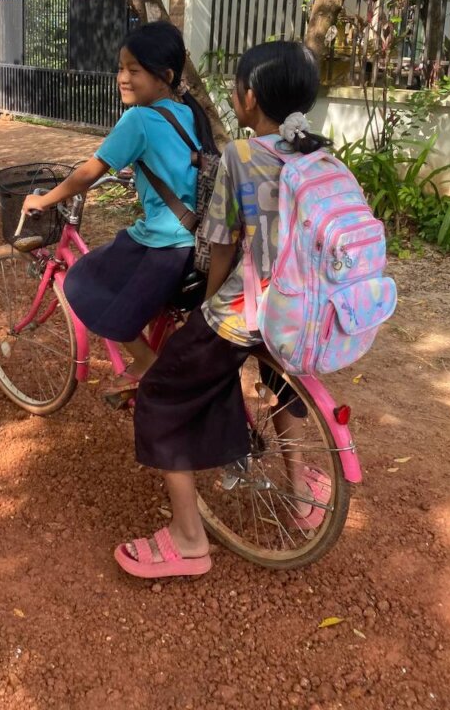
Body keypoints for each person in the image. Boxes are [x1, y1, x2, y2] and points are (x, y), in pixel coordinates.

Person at [113, 40, 333, 580]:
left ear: (249, 98)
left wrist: (207, 310)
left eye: (236, 88)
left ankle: (189, 541)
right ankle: (301, 487)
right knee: (281, 382)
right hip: (303, 310)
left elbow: (222, 245)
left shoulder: (240, 154)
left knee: (161, 395)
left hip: (248, 309)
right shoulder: (320, 153)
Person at [22, 21, 218, 395]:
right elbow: (176, 164)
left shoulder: (139, 119)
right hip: (197, 242)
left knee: (82, 281)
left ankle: (146, 361)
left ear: (165, 76)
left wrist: (43, 199)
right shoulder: (186, 112)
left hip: (161, 243)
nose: (122, 77)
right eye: (120, 68)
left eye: (134, 70)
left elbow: (85, 174)